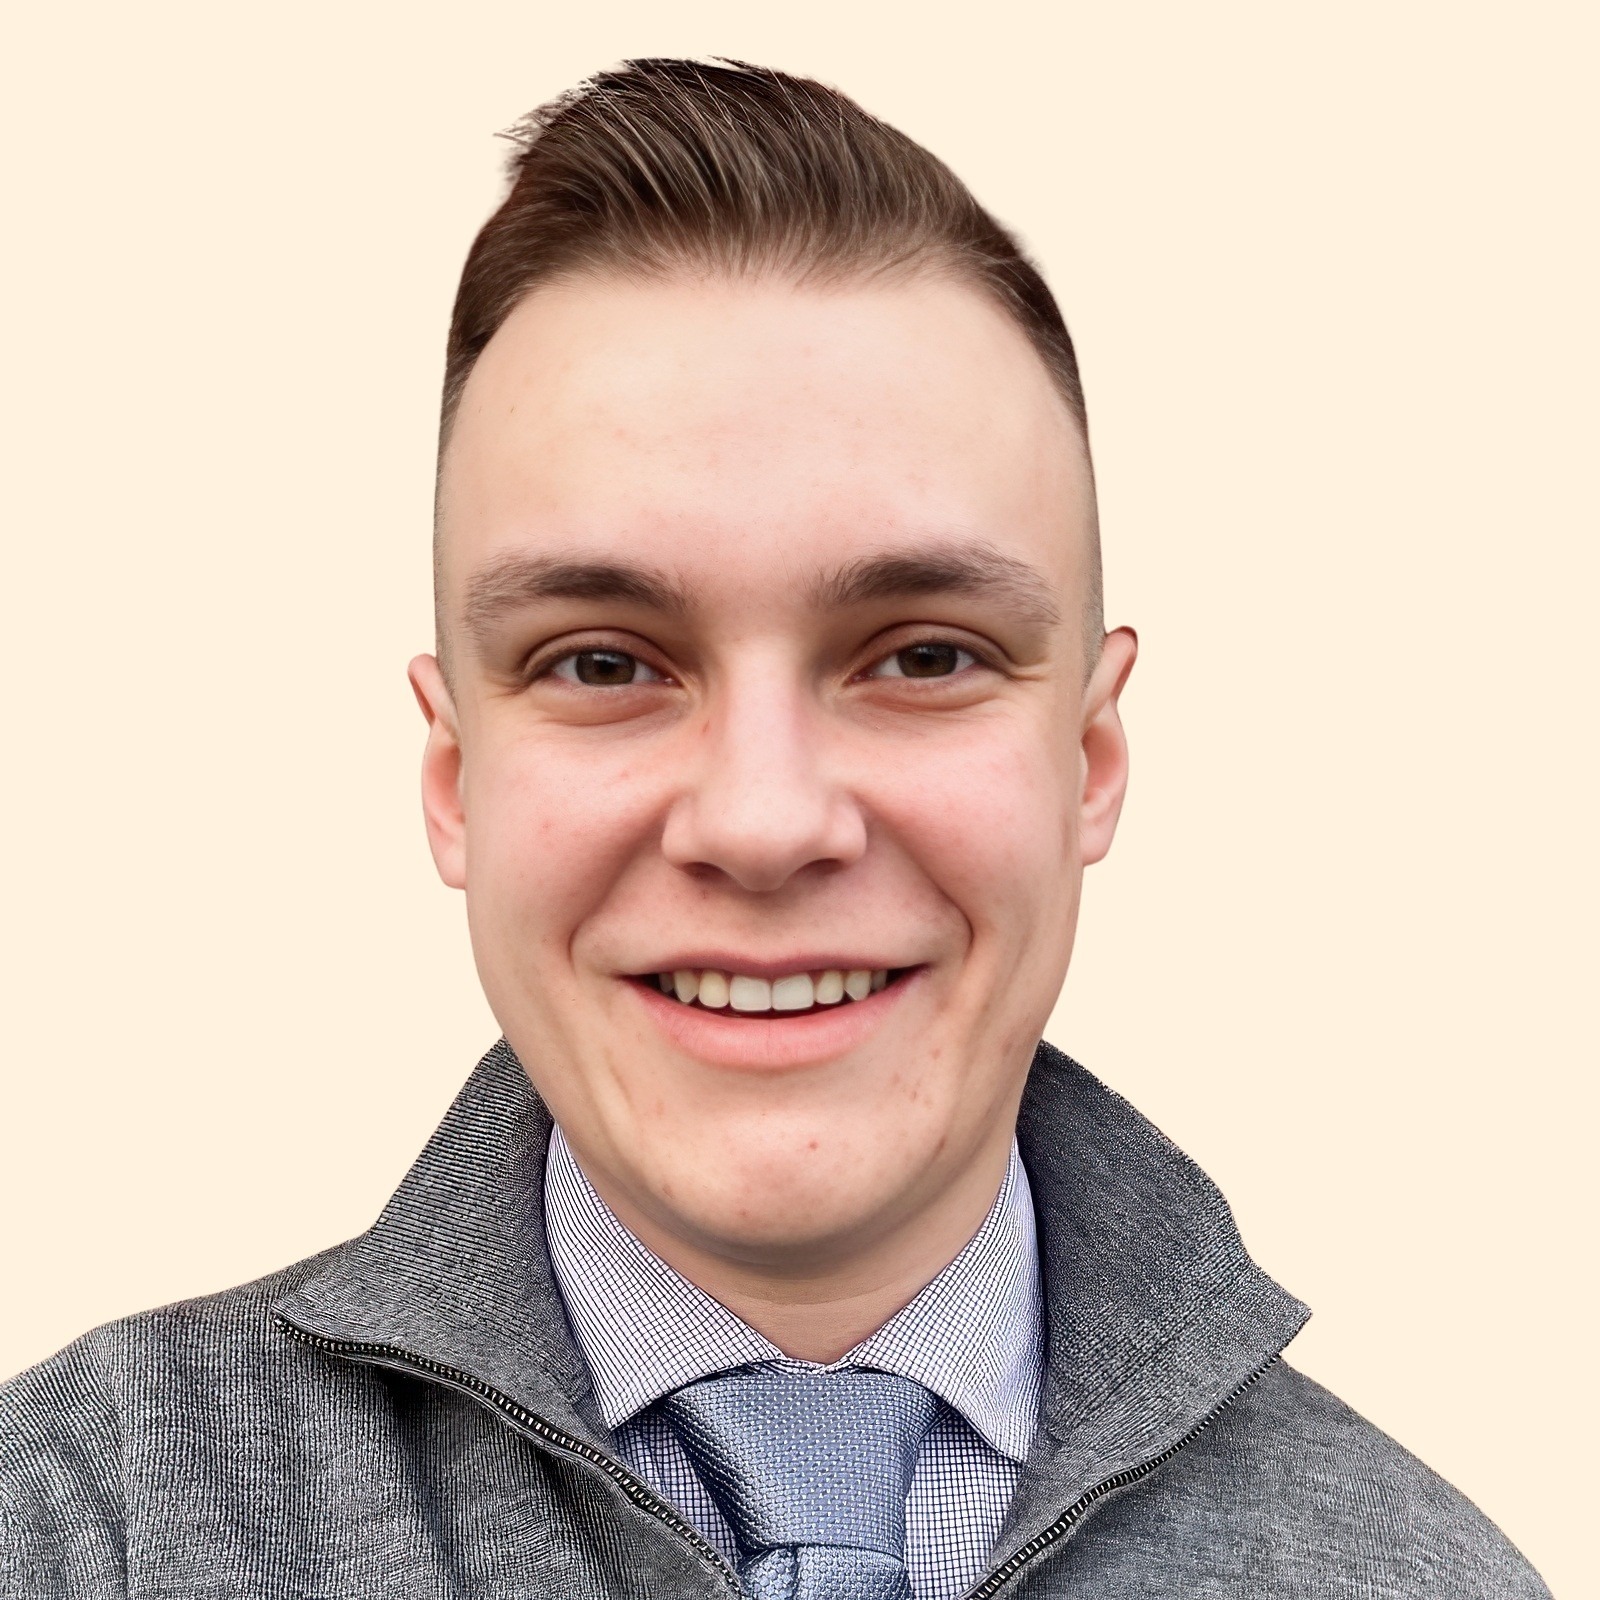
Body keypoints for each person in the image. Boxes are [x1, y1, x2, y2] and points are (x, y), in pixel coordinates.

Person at [0, 57, 1550, 1600]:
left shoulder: (1431, 1580)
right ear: (456, 780)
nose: (762, 821)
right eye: (602, 665)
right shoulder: (78, 1527)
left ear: (1088, 759)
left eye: (922, 656)